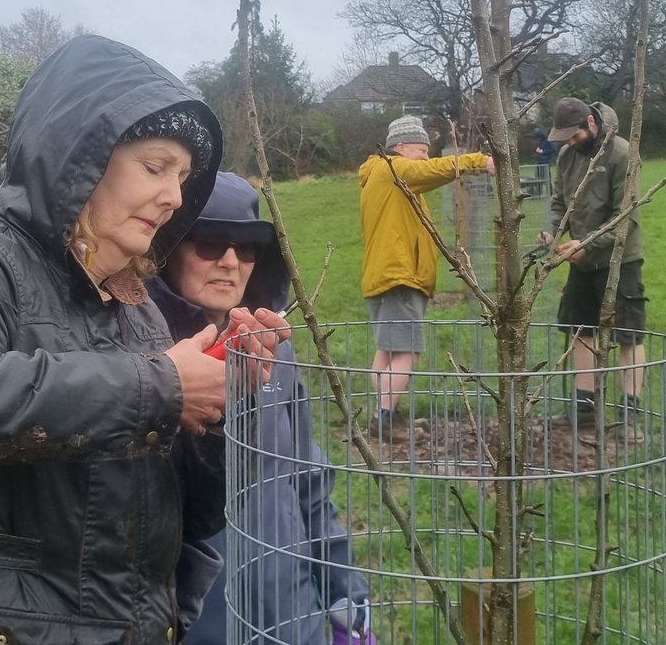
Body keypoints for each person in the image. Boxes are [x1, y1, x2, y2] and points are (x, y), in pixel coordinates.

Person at [0, 35, 290, 644]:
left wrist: (223, 402)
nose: (175, 197)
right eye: (155, 167)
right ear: (80, 159)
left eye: (181, 177)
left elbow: (192, 518)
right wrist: (164, 385)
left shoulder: (134, 305)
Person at [148, 172, 372, 645]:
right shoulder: (144, 365)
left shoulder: (275, 354)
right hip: (196, 623)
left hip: (292, 616)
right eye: (209, 243)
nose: (230, 261)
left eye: (247, 247)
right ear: (167, 249)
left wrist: (343, 592)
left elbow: (308, 479)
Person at [358, 115, 492, 435]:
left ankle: (382, 413)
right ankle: (385, 419)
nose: (426, 159)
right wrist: (480, 161)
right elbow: (432, 171)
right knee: (407, 351)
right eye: (421, 151)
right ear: (401, 148)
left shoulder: (379, 175)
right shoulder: (394, 169)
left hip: (382, 276)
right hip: (400, 277)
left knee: (388, 350)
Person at [536, 96, 647, 438]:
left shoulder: (622, 154)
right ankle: (584, 408)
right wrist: (552, 230)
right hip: (580, 260)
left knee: (627, 333)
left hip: (618, 259)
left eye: (574, 135)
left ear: (592, 124)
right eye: (564, 137)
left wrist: (586, 244)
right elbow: (559, 201)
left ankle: (630, 414)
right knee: (580, 329)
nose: (568, 143)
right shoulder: (568, 157)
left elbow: (623, 216)